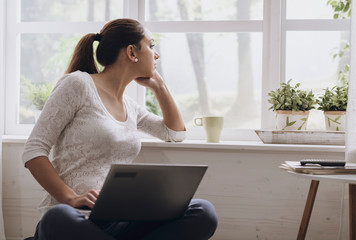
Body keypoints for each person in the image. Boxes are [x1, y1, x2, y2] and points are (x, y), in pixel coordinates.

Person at [22, 18, 218, 240]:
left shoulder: (130, 107)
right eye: (151, 45)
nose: (156, 55)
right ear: (131, 52)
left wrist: (160, 86)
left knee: (203, 211)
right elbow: (34, 151)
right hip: (75, 219)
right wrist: (70, 198)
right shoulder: (78, 84)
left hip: (119, 219)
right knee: (57, 218)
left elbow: (175, 134)